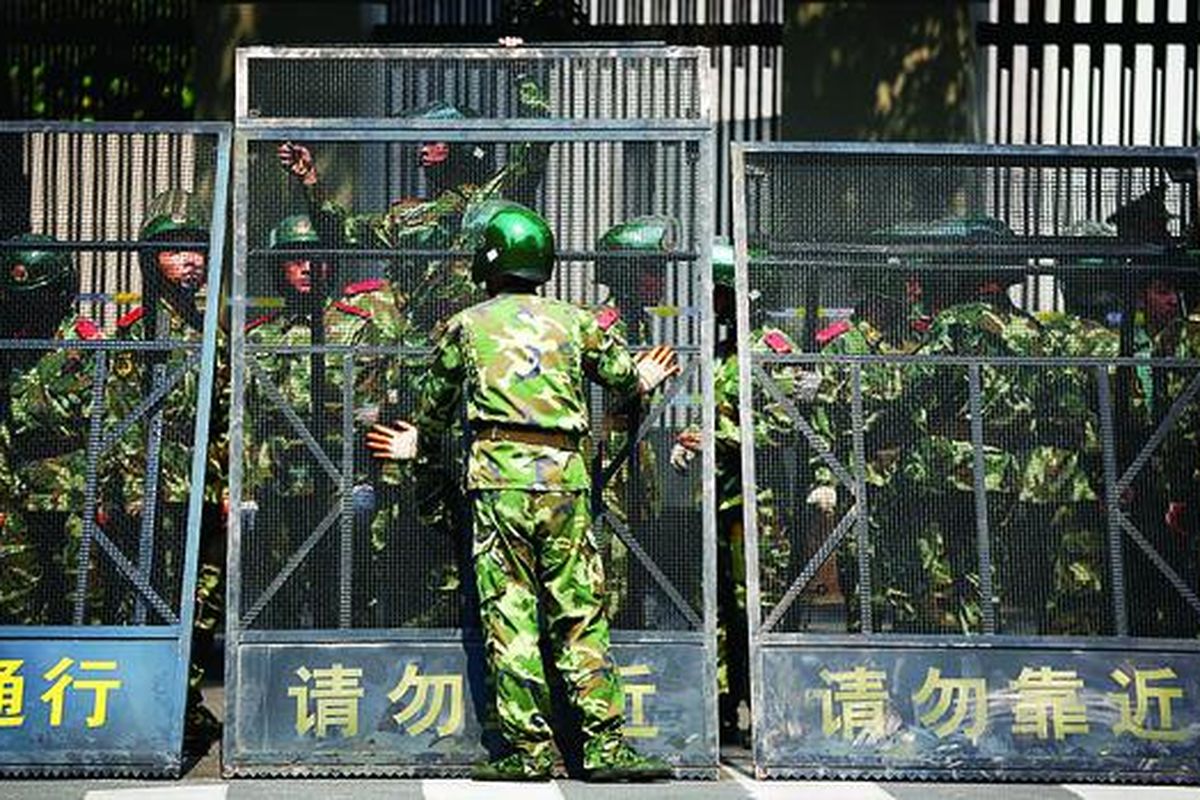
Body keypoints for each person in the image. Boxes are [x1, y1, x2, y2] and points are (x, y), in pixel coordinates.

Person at [367, 203, 678, 781]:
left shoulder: (466, 325)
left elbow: (433, 412)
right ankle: (604, 746)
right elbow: (622, 377)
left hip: (499, 482)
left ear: (488, 262)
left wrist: (420, 450)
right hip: (565, 480)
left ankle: (529, 750)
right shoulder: (576, 322)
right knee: (579, 611)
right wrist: (644, 376)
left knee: (511, 613)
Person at [0, 233, 89, 625]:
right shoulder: (10, 345)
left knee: (81, 591)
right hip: (18, 484)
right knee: (17, 593)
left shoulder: (85, 344)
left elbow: (109, 420)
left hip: (75, 486)